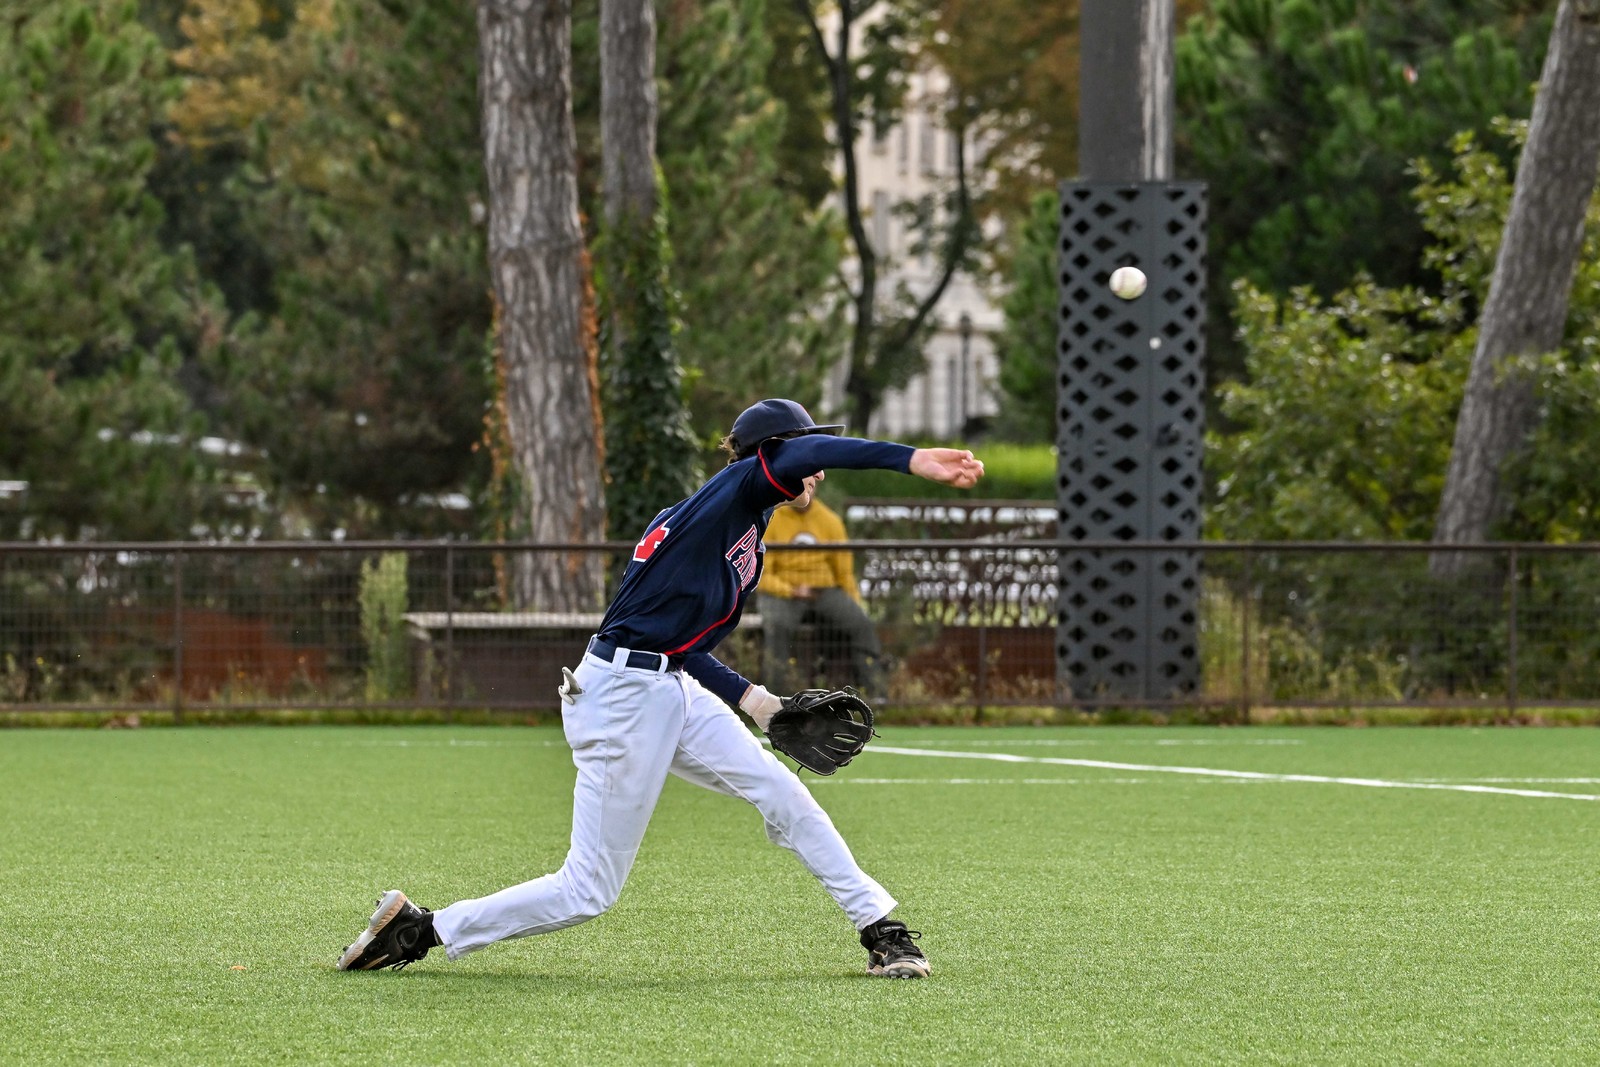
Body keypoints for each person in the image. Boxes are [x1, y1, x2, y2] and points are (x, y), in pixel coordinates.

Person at [336, 398, 984, 979]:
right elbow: (803, 454)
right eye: (799, 450)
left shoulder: (729, 520)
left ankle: (881, 929)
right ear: (769, 455)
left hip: (662, 681)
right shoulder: (735, 490)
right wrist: (912, 459)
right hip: (622, 699)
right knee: (587, 888)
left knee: (780, 788)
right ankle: (423, 928)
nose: (815, 467)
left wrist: (756, 701)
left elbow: (680, 643)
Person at [759, 492, 885, 698]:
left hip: (823, 590)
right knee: (777, 627)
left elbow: (844, 573)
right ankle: (774, 700)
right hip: (784, 591)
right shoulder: (772, 519)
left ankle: (876, 694)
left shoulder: (830, 520)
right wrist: (791, 590)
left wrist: (854, 603)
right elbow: (763, 572)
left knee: (861, 625)